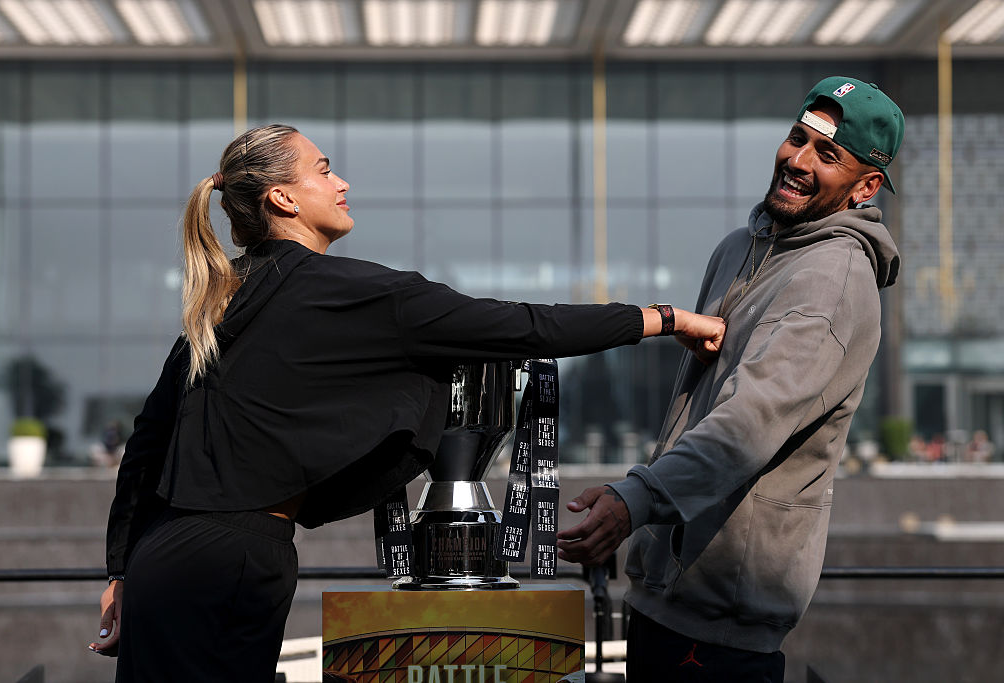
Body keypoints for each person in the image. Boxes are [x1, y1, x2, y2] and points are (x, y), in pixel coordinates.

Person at [87, 123, 726, 682]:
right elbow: (526, 326)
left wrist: (120, 573)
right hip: (231, 563)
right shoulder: (360, 294)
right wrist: (665, 319)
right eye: (323, 170)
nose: (342, 183)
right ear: (283, 198)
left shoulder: (220, 301)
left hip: (161, 558)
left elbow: (146, 447)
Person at [557, 76, 904, 681]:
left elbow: (748, 425)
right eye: (797, 138)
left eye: (827, 154)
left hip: (721, 621)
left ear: (865, 186)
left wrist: (635, 499)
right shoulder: (739, 248)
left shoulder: (833, 280)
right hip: (662, 595)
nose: (798, 161)